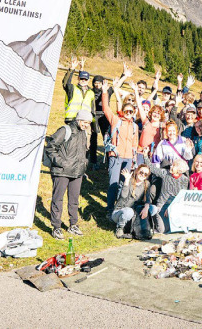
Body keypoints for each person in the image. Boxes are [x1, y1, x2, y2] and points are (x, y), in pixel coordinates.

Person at [45, 110, 91, 240]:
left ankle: (73, 224)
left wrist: (84, 164)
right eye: (84, 122)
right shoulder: (65, 130)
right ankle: (56, 227)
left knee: (74, 200)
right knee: (57, 199)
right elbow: (50, 148)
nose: (86, 125)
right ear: (78, 120)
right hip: (62, 171)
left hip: (77, 172)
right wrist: (62, 163)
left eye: (88, 123)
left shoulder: (83, 133)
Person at [101, 80, 140, 216]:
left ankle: (119, 207)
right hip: (116, 156)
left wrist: (134, 159)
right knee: (113, 182)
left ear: (134, 112)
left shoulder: (135, 126)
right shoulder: (116, 121)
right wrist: (105, 92)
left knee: (124, 183)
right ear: (122, 111)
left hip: (129, 158)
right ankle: (110, 209)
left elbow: (135, 143)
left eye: (131, 111)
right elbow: (106, 108)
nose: (128, 113)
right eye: (126, 111)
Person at [145, 158, 190, 233]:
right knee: (162, 230)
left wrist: (171, 208)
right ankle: (153, 217)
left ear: (179, 170)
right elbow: (153, 168)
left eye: (173, 166)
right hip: (162, 205)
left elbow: (181, 197)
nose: (171, 166)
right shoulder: (165, 173)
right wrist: (146, 157)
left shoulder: (184, 179)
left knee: (172, 229)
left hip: (174, 206)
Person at [111, 164, 151, 239]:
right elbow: (123, 196)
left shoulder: (146, 184)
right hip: (120, 211)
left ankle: (145, 228)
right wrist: (126, 180)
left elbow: (148, 199)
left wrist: (146, 208)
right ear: (137, 171)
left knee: (153, 209)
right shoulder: (129, 180)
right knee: (129, 211)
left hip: (134, 212)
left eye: (145, 174)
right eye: (141, 172)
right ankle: (120, 228)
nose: (142, 175)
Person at [63, 57, 95, 124]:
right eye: (81, 79)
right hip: (72, 120)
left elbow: (92, 110)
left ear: (88, 80)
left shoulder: (91, 93)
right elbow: (66, 83)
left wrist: (92, 123)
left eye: (85, 79)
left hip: (85, 121)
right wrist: (71, 69)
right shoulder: (73, 88)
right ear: (78, 79)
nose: (83, 80)